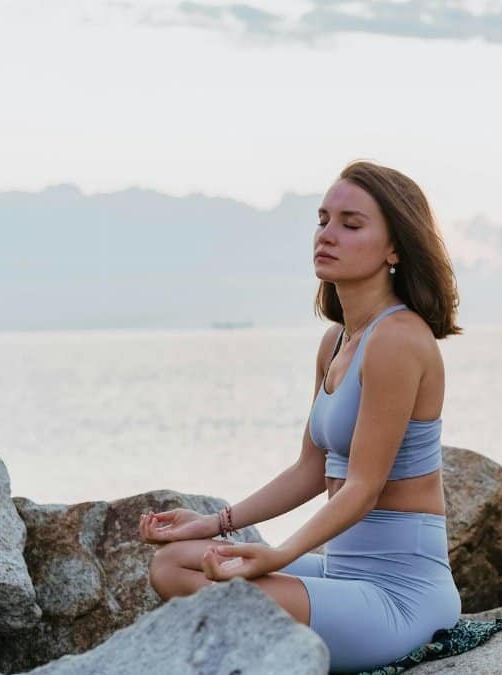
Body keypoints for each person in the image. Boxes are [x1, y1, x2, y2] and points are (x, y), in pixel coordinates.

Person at [140, 160, 464, 673]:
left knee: (211, 584)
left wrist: (278, 555)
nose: (327, 234)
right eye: (322, 220)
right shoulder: (335, 341)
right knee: (174, 563)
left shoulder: (398, 340)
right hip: (343, 572)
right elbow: (310, 471)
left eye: (350, 224)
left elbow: (363, 487)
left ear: (395, 248)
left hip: (400, 596)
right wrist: (214, 522)